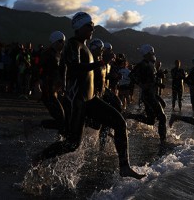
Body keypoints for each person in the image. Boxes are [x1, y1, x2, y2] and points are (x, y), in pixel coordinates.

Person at [36, 12, 144, 179]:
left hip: (91, 100)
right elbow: (74, 68)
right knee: (72, 144)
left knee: (120, 123)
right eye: (89, 25)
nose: (92, 27)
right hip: (78, 101)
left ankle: (124, 167)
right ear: (79, 27)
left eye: (93, 24)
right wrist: (101, 62)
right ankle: (39, 158)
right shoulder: (73, 44)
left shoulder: (85, 47)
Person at [125, 44, 167, 146]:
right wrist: (141, 84)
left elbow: (151, 79)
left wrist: (159, 79)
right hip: (148, 94)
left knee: (151, 120)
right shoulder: (143, 64)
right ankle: (163, 141)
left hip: (152, 93)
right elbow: (131, 75)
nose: (153, 54)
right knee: (162, 117)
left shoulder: (150, 64)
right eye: (152, 52)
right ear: (147, 53)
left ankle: (129, 115)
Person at [37, 31, 68, 135]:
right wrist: (37, 83)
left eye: (64, 41)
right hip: (47, 91)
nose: (63, 43)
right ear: (54, 42)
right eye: (60, 41)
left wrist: (63, 85)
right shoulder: (47, 53)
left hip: (55, 90)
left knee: (64, 118)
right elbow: (38, 69)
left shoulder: (60, 55)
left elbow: (62, 72)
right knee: (61, 119)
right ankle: (35, 124)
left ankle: (61, 139)